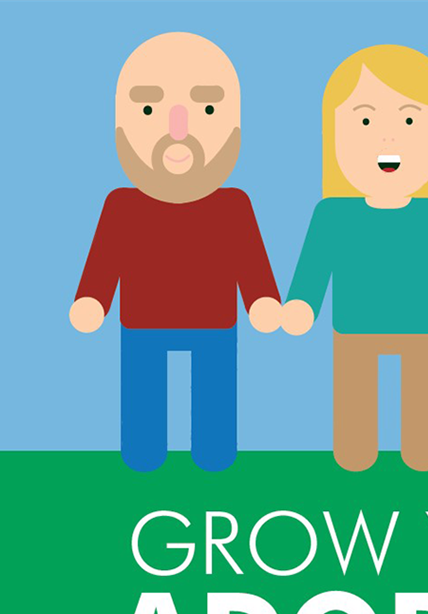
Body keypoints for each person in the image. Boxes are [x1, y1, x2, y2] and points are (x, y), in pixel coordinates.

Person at [70, 32, 281, 472]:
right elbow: (103, 263)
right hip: (143, 321)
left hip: (215, 322)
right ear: (122, 129)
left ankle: (215, 450)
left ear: (234, 129)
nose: (178, 129)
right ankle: (144, 451)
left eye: (206, 109)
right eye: (150, 109)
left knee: (215, 401)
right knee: (143, 408)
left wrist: (263, 300)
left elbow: (252, 262)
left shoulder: (234, 205)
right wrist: (92, 300)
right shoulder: (121, 205)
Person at [282, 45, 428, 472]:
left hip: (424, 328)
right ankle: (355, 448)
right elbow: (313, 268)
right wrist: (302, 304)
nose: (388, 138)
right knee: (354, 436)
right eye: (364, 120)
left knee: (423, 437)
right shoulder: (332, 214)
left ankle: (422, 448)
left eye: (411, 120)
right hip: (353, 327)